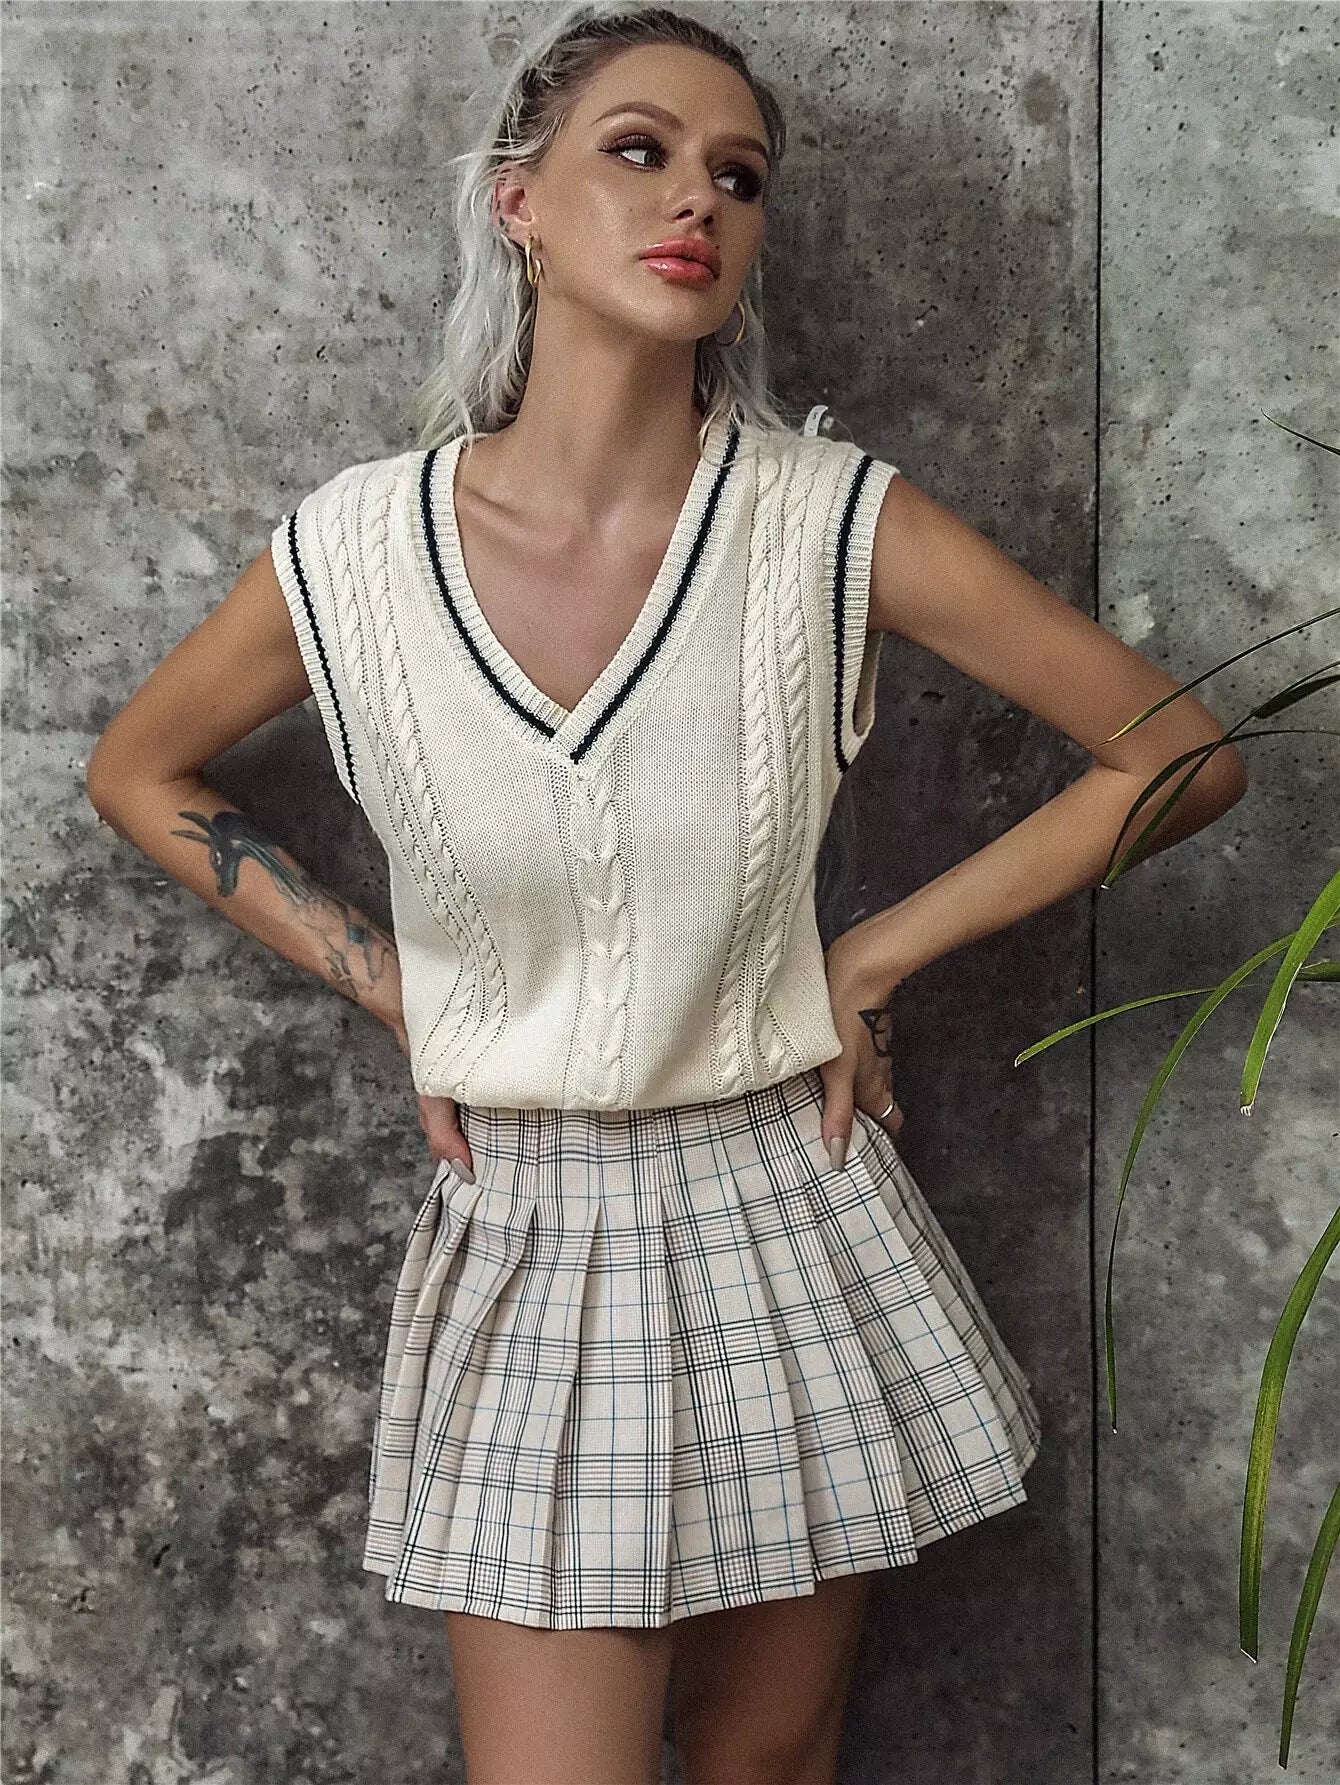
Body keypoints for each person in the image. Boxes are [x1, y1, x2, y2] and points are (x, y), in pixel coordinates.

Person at [85, 4, 1249, 1781]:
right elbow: (139, 771)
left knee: (762, 1770)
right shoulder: (355, 551)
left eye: (738, 176)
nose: (696, 198)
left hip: (787, 1199)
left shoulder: (826, 521)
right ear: (519, 203)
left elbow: (1178, 753)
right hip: (531, 1228)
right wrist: (402, 986)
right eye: (637, 151)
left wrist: (873, 950)